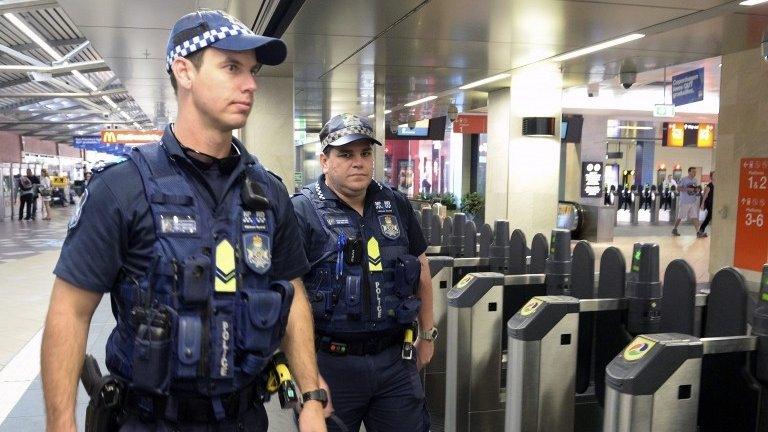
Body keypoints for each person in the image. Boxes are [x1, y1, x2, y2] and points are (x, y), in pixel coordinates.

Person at [41, 9, 327, 432]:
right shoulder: (122, 188)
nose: (249, 84)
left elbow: (293, 292)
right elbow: (70, 311)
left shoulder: (268, 192)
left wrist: (311, 396)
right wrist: (59, 422)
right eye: (231, 67)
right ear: (184, 71)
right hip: (149, 419)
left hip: (245, 418)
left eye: (252, 71)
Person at [292, 113, 435, 432]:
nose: (358, 162)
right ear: (325, 161)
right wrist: (308, 378)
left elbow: (421, 268)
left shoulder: (395, 203)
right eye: (345, 154)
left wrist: (427, 333)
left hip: (395, 361)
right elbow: (289, 296)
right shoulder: (302, 211)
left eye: (365, 153)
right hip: (330, 363)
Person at [672, 167, 702, 237]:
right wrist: (687, 189)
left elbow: (695, 189)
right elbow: (678, 188)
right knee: (680, 217)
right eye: (693, 172)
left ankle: (698, 232)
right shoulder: (683, 179)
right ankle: (674, 229)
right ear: (689, 172)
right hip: (685, 202)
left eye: (695, 172)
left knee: (695, 217)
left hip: (692, 201)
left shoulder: (695, 180)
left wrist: (697, 190)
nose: (694, 173)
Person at [698, 171, 715, 237]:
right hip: (709, 203)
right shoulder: (709, 185)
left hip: (714, 203)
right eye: (714, 175)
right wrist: (702, 204)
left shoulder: (717, 184)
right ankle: (701, 231)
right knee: (709, 216)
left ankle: (701, 231)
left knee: (709, 217)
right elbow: (705, 195)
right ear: (711, 177)